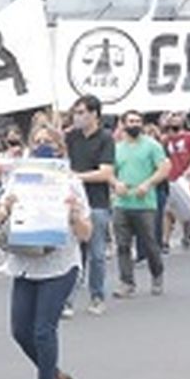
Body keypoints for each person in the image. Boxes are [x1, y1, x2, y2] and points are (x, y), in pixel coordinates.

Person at [0, 126, 92, 379]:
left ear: (59, 147)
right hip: (26, 259)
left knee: (43, 329)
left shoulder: (71, 182)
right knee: (20, 329)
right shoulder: (19, 179)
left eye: (48, 141)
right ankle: (56, 376)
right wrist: (5, 209)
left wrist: (74, 215)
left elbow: (87, 233)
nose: (41, 146)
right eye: (36, 141)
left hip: (60, 262)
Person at [66, 94, 115, 316]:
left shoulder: (105, 138)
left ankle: (97, 296)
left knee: (96, 254)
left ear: (94, 114)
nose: (77, 117)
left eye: (81, 112)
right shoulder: (71, 137)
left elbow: (105, 173)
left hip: (96, 202)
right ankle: (68, 300)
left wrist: (77, 177)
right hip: (74, 202)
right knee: (73, 254)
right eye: (75, 113)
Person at [112, 111, 170, 298]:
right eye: (131, 121)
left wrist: (149, 183)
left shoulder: (152, 145)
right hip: (122, 203)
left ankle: (157, 275)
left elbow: (165, 168)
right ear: (123, 124)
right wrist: (115, 184)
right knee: (122, 245)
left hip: (145, 203)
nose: (135, 124)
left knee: (150, 243)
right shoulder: (117, 148)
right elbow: (109, 172)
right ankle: (126, 282)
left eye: (138, 121)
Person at [161, 112, 190, 251]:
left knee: (187, 207)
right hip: (171, 176)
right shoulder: (167, 139)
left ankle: (187, 233)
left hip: (185, 176)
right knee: (169, 209)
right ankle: (165, 241)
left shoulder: (189, 137)